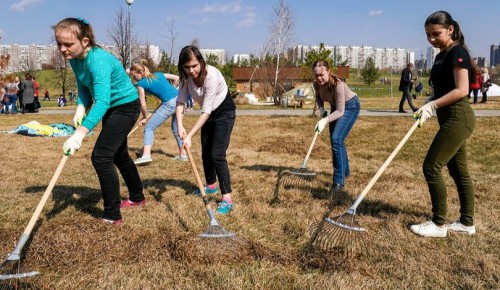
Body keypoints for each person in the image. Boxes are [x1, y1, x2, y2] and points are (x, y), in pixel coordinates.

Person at [53, 17, 145, 225]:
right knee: (119, 154)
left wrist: (79, 135)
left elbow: (102, 101)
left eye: (68, 44)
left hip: (125, 106)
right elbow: (85, 88)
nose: (62, 49)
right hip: (112, 107)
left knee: (102, 156)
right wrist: (80, 106)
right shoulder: (76, 60)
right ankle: (137, 197)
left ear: (85, 42)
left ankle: (112, 215)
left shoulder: (98, 61)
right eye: (59, 43)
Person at [411, 11, 476, 238]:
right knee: (458, 171)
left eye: (436, 34)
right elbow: (444, 89)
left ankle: (438, 224)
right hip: (448, 117)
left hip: (459, 117)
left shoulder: (457, 51)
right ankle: (467, 223)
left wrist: (433, 106)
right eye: (428, 35)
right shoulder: (440, 56)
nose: (431, 39)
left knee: (431, 166)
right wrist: (430, 101)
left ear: (450, 30)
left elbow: (462, 90)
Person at [175, 45, 236, 215]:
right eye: (187, 67)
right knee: (205, 153)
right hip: (208, 113)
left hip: (224, 112)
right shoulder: (185, 78)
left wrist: (190, 135)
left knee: (217, 154)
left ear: (200, 62)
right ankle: (210, 186)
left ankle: (227, 198)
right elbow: (180, 102)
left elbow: (207, 111)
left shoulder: (212, 76)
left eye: (194, 66)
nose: (192, 70)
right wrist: (180, 125)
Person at [312, 59, 361, 192]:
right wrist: (321, 110)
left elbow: (340, 111)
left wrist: (325, 120)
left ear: (328, 72)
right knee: (337, 141)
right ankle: (345, 172)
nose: (319, 78)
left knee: (336, 139)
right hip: (336, 107)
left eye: (322, 74)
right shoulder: (316, 84)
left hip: (350, 106)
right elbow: (318, 96)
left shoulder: (338, 84)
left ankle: (338, 181)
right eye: (316, 75)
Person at [129, 62, 187, 165]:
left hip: (170, 104)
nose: (134, 78)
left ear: (141, 72)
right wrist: (173, 88)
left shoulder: (141, 84)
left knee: (149, 128)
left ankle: (146, 156)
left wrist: (144, 117)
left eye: (134, 75)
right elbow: (178, 78)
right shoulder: (159, 74)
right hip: (180, 100)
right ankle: (183, 155)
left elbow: (143, 104)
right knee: (176, 129)